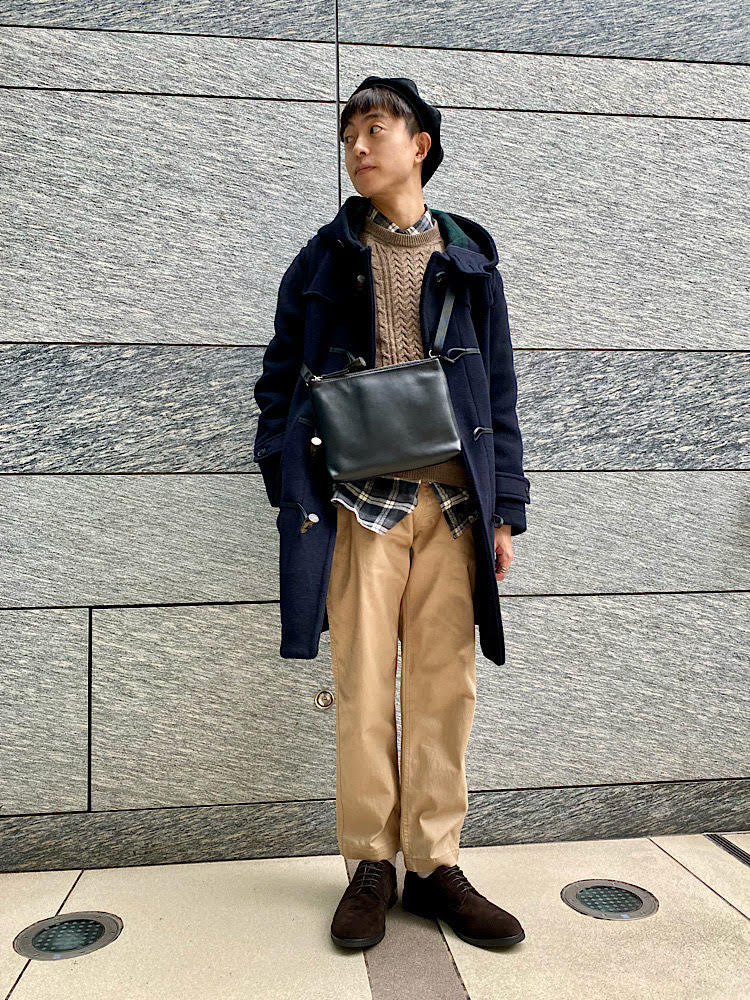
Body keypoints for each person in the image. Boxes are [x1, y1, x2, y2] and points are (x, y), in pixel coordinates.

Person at [253, 76, 530, 951]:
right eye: (349, 137)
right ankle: (371, 864)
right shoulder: (323, 259)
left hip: (454, 509)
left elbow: (499, 394)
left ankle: (435, 866)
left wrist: (506, 511)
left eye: (375, 130)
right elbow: (278, 380)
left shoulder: (471, 261)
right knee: (365, 691)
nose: (359, 149)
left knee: (446, 693)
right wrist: (287, 478)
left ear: (421, 146)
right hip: (360, 509)